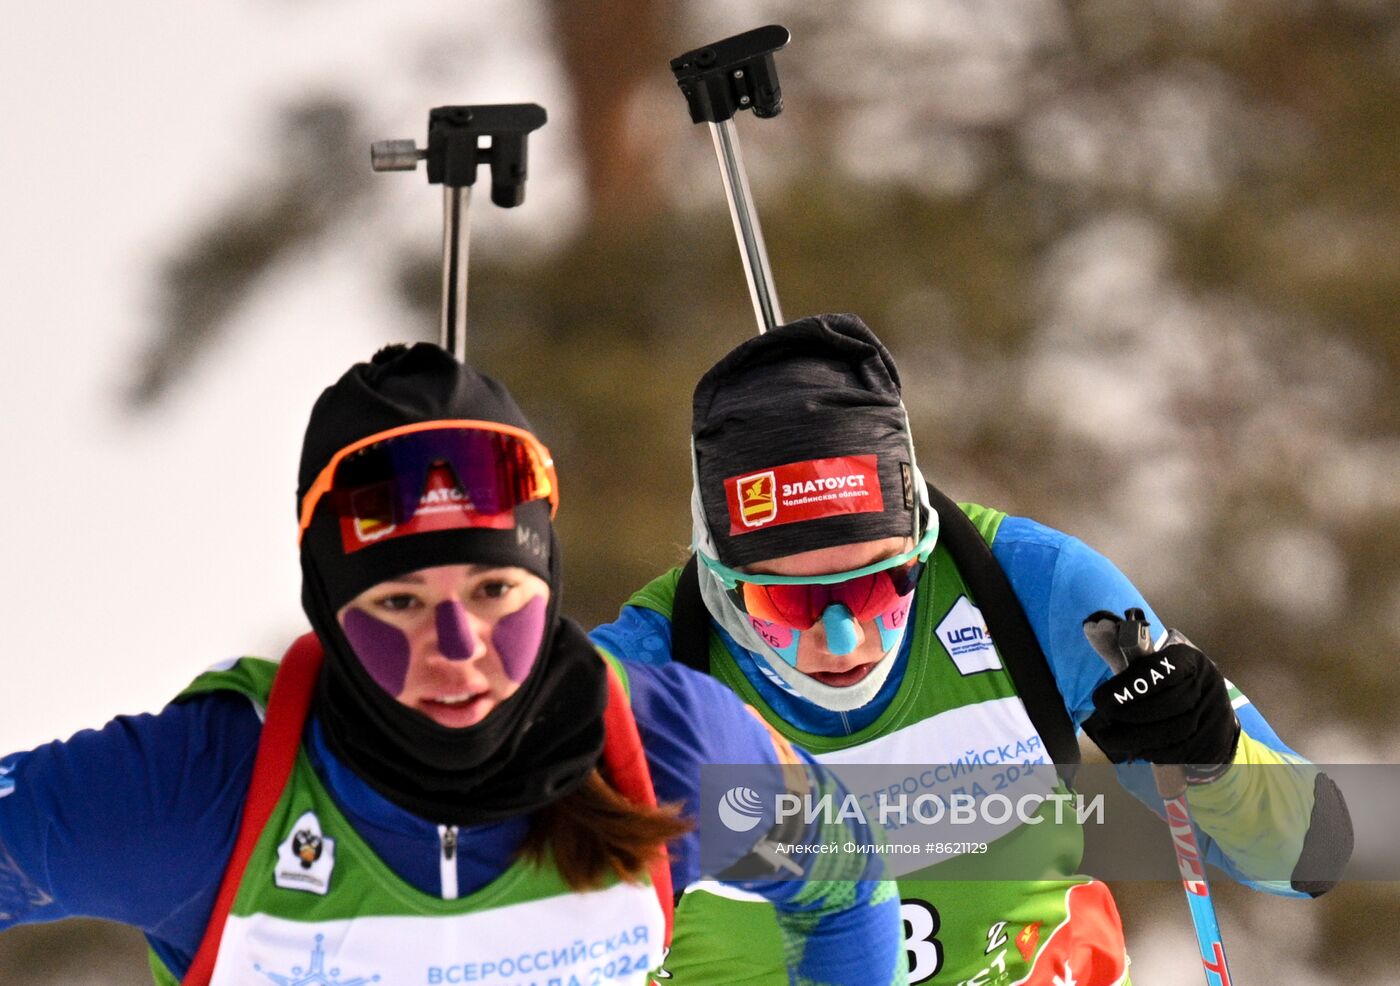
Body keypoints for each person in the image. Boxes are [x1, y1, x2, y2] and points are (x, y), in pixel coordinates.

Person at [0, 343, 907, 985]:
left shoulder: (661, 749)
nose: (459, 650)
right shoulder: (200, 792)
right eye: (397, 603)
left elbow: (848, 878)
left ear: (545, 583)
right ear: (330, 608)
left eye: (494, 593)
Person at [591, 313, 1354, 985]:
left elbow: (1309, 857)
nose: (842, 637)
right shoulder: (653, 669)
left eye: (880, 583)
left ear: (919, 539)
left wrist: (1214, 758)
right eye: (787, 600)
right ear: (719, 578)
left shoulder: (1028, 586)